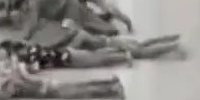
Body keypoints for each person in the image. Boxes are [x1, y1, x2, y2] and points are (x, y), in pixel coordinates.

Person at [0, 58, 126, 100]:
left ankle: (111, 88)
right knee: (82, 88)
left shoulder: (9, 80)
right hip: (46, 88)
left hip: (45, 89)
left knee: (82, 90)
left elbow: (6, 95)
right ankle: (110, 86)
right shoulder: (11, 77)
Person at [16, 0, 119, 40]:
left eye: (23, 8)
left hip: (68, 3)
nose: (25, 10)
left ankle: (109, 31)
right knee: (85, 18)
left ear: (23, 3)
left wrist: (26, 37)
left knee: (73, 28)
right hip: (64, 4)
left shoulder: (33, 2)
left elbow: (33, 20)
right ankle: (106, 26)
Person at [51, 18, 186, 58]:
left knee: (142, 52)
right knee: (142, 44)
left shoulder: (79, 36)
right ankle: (169, 39)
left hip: (112, 45)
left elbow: (71, 50)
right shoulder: (79, 31)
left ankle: (172, 46)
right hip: (112, 41)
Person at [0, 40, 131, 69]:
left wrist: (26, 67)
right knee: (94, 54)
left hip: (69, 59)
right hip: (67, 51)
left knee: (98, 60)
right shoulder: (32, 47)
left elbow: (37, 67)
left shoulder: (31, 54)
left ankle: (123, 57)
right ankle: (119, 50)